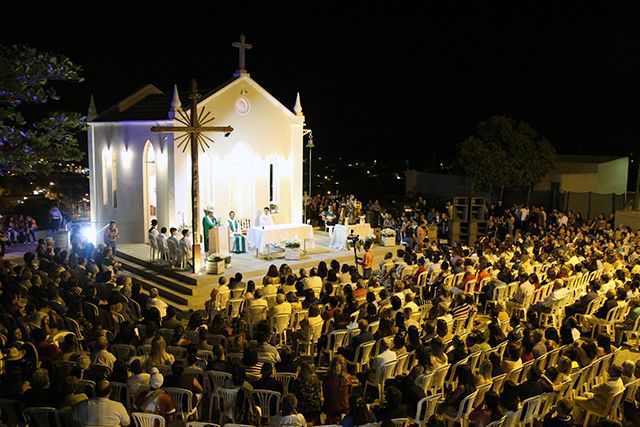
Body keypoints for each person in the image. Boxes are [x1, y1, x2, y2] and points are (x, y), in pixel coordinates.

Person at [323, 355, 353, 423]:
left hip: (330, 408)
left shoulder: (326, 378)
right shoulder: (348, 377)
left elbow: (325, 394)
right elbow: (349, 393)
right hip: (344, 407)